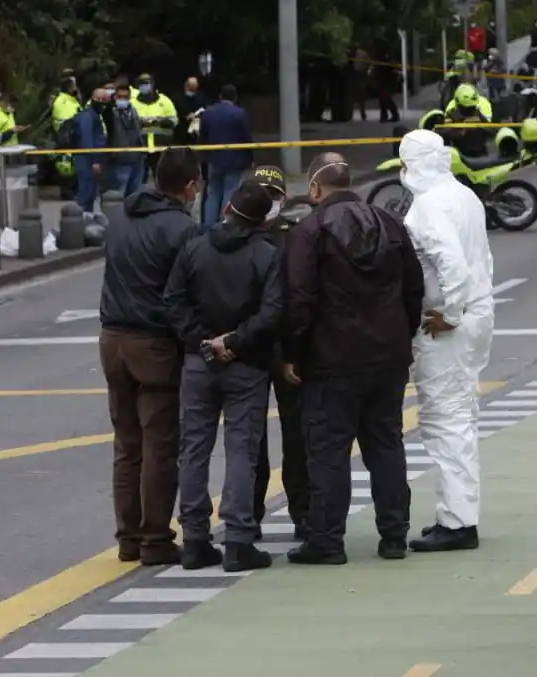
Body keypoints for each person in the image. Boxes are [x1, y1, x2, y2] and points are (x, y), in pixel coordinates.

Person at [282, 154, 424, 564]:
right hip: (388, 356)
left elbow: (299, 299)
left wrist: (294, 353)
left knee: (328, 451)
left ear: (314, 189)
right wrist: (402, 334)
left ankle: (327, 540)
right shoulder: (390, 224)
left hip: (331, 358)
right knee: (385, 444)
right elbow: (413, 288)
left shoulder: (309, 231)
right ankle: (394, 534)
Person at [166, 179, 284, 573]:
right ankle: (238, 538)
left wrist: (202, 341)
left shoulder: (195, 247)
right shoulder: (266, 256)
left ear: (226, 209)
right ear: (262, 221)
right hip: (246, 363)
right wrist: (231, 341)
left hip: (198, 363)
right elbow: (272, 314)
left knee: (194, 448)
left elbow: (174, 300)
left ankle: (195, 538)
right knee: (241, 450)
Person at [98, 147, 203, 566]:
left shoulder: (120, 217)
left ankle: (128, 537)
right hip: (155, 344)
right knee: (160, 444)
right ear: (190, 186)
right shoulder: (182, 230)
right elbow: (188, 293)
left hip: (112, 340)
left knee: (127, 445)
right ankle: (155, 538)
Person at [397, 130, 494, 552]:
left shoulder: (428, 207)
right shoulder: (463, 195)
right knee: (461, 416)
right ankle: (459, 514)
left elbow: (449, 261)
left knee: (444, 421)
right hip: (479, 315)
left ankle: (457, 522)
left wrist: (449, 314)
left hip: (450, 324)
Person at [250, 165, 309, 539]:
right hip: (251, 348)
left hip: (287, 347)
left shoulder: (297, 236)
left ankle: (303, 515)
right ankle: (249, 516)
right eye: (260, 194)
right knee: (250, 440)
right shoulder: (233, 236)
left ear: (284, 198)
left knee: (298, 437)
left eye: (273, 195)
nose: (267, 203)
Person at [198, 84, 254, 228]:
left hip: (214, 160)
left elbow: (202, 136)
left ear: (220, 96)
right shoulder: (239, 113)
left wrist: (204, 156)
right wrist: (250, 158)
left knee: (212, 194)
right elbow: (246, 138)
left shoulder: (208, 113)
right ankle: (225, 225)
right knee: (230, 192)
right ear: (235, 97)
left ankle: (208, 227)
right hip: (235, 161)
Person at [107, 82, 148, 196]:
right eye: (119, 97)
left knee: (135, 192)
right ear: (114, 97)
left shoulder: (133, 111)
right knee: (118, 193)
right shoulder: (111, 112)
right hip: (120, 157)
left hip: (137, 156)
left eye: (125, 97)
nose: (122, 100)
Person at [132, 73, 177, 174]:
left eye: (147, 83)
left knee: (161, 176)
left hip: (161, 146)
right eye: (141, 84)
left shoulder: (165, 101)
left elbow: (173, 121)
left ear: (152, 84)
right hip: (140, 146)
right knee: (139, 177)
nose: (144, 86)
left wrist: (159, 121)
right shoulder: (132, 103)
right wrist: (141, 122)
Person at [73, 89, 108, 215]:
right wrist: (95, 161)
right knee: (85, 194)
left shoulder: (95, 115)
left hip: (90, 160)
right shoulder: (87, 116)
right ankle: (80, 222)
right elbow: (86, 140)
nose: (103, 103)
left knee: (91, 194)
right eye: (100, 99)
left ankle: (87, 218)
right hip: (86, 161)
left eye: (105, 100)